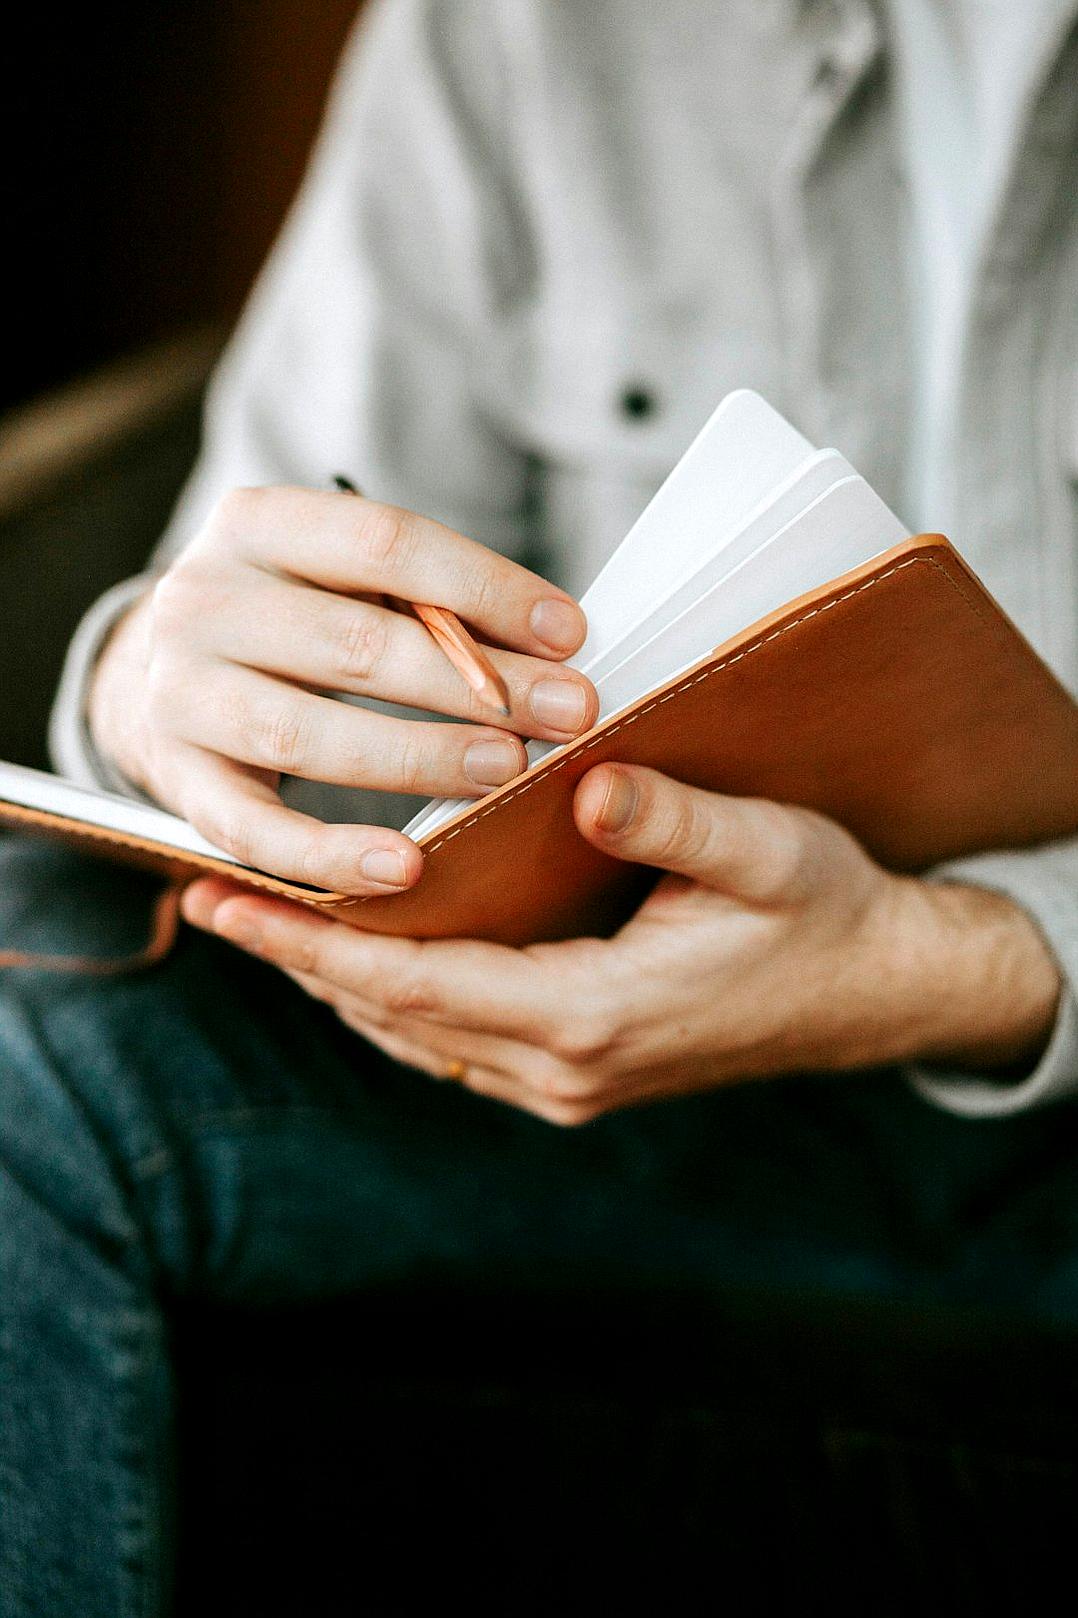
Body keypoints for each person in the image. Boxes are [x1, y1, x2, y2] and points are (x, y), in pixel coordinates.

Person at [3, 0, 1076, 1610]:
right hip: (652, 1085)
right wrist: (152, 685)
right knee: (27, 992)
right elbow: (280, 548)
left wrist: (976, 958)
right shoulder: (522, 31)